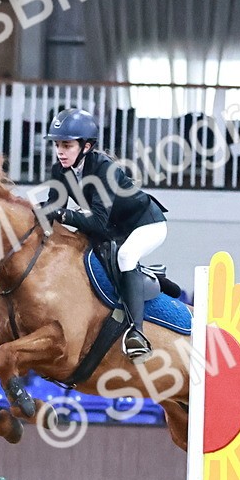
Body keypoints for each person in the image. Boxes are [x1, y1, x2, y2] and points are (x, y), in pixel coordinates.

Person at [41, 107, 168, 362]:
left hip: (145, 224)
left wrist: (63, 216)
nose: (60, 152)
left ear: (86, 146)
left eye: (67, 145)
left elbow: (97, 222)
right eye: (57, 145)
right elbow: (53, 207)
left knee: (126, 256)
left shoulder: (103, 168)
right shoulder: (61, 171)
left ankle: (137, 334)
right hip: (114, 228)